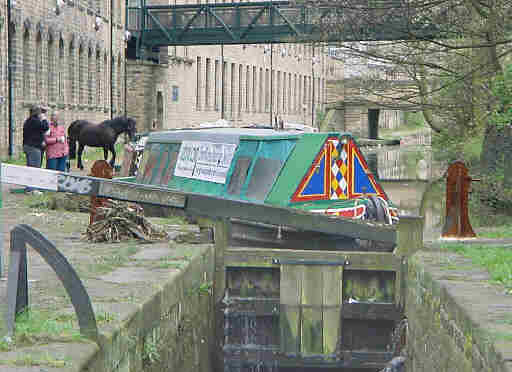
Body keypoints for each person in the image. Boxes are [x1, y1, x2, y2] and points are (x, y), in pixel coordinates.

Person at [22, 104, 50, 194]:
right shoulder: (34, 121)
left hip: (29, 146)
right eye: (40, 112)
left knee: (31, 167)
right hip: (33, 147)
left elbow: (38, 131)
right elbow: (45, 127)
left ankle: (30, 187)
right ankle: (32, 189)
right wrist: (44, 118)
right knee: (35, 168)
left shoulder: (30, 121)